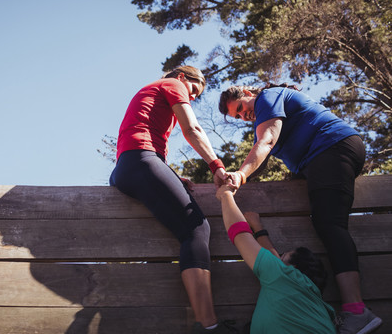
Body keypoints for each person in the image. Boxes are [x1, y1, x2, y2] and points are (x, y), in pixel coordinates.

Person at [218, 83, 382, 334]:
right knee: (323, 218)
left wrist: (239, 176)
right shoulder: (261, 119)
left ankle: (357, 311)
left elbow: (268, 141)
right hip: (320, 160)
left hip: (333, 148)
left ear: (249, 94)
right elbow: (259, 160)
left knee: (329, 223)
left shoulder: (268, 98)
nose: (243, 115)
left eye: (240, 108)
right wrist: (238, 176)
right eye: (237, 116)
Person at [109, 66, 236, 334]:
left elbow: (146, 139)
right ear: (182, 78)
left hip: (127, 166)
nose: (191, 97)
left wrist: (172, 176)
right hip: (141, 159)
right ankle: (210, 326)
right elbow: (192, 129)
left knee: (171, 231)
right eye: (193, 91)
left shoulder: (150, 92)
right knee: (197, 229)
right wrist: (216, 166)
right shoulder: (173, 85)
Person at [215, 183, 337, 333]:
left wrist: (225, 195)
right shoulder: (314, 304)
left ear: (294, 269)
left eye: (283, 256)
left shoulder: (285, 277)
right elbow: (274, 261)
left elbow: (241, 235)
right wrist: (258, 227)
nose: (277, 259)